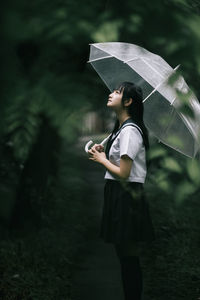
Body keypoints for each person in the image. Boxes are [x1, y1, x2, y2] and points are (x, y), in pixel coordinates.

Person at [88, 81, 155, 300]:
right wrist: (102, 149)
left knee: (128, 257)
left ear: (127, 102)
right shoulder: (123, 129)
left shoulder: (130, 131)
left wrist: (102, 159)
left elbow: (124, 172)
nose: (111, 94)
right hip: (120, 193)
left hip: (126, 194)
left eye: (117, 92)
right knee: (124, 255)